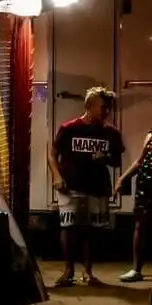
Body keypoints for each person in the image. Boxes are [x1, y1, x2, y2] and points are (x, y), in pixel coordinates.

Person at [49, 86, 124, 287]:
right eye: (102, 107)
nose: (106, 111)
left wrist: (106, 157)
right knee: (69, 226)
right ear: (88, 106)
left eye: (108, 107)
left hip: (97, 186)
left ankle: (88, 272)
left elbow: (117, 161)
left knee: (92, 229)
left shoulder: (111, 133)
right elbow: (53, 154)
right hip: (71, 184)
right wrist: (56, 176)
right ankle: (68, 271)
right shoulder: (69, 128)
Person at [116, 103, 152, 282]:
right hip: (145, 186)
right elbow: (140, 160)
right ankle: (136, 269)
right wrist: (123, 178)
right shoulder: (151, 135)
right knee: (140, 227)